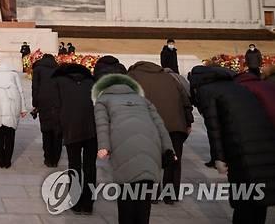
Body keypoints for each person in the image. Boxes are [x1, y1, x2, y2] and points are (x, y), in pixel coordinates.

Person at [191, 66, 275, 224]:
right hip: (263, 147)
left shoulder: (206, 91)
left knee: (243, 202)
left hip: (241, 151)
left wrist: (218, 158)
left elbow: (214, 127)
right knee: (259, 201)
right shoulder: (237, 87)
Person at [93, 73, 174, 224]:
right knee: (144, 201)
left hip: (123, 149)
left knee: (126, 201)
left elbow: (102, 125)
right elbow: (160, 125)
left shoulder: (103, 101)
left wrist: (104, 147)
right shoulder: (143, 100)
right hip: (151, 149)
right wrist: (169, 150)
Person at [128, 61, 193, 204]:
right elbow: (185, 101)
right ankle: (170, 195)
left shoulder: (132, 76)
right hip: (176, 125)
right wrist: (188, 122)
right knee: (174, 160)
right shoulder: (169, 77)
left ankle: (152, 194)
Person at [56, 63, 97, 215]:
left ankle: (75, 202)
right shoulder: (93, 82)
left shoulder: (61, 82)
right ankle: (88, 204)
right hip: (92, 130)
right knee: (90, 167)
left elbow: (57, 106)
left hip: (72, 129)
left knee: (74, 166)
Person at [188, 65, 236, 168]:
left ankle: (218, 159)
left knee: (214, 134)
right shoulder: (221, 80)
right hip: (228, 111)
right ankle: (219, 158)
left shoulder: (201, 84)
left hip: (211, 109)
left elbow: (194, 98)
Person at [0, 63, 27, 168]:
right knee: (10, 136)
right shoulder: (13, 74)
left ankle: (0, 160)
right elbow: (20, 91)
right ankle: (7, 161)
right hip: (12, 103)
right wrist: (23, 108)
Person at [30, 53, 62, 167]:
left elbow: (35, 88)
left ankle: (48, 159)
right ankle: (55, 159)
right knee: (57, 132)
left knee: (46, 131)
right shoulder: (59, 69)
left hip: (43, 103)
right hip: (57, 104)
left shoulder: (38, 69)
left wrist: (35, 104)